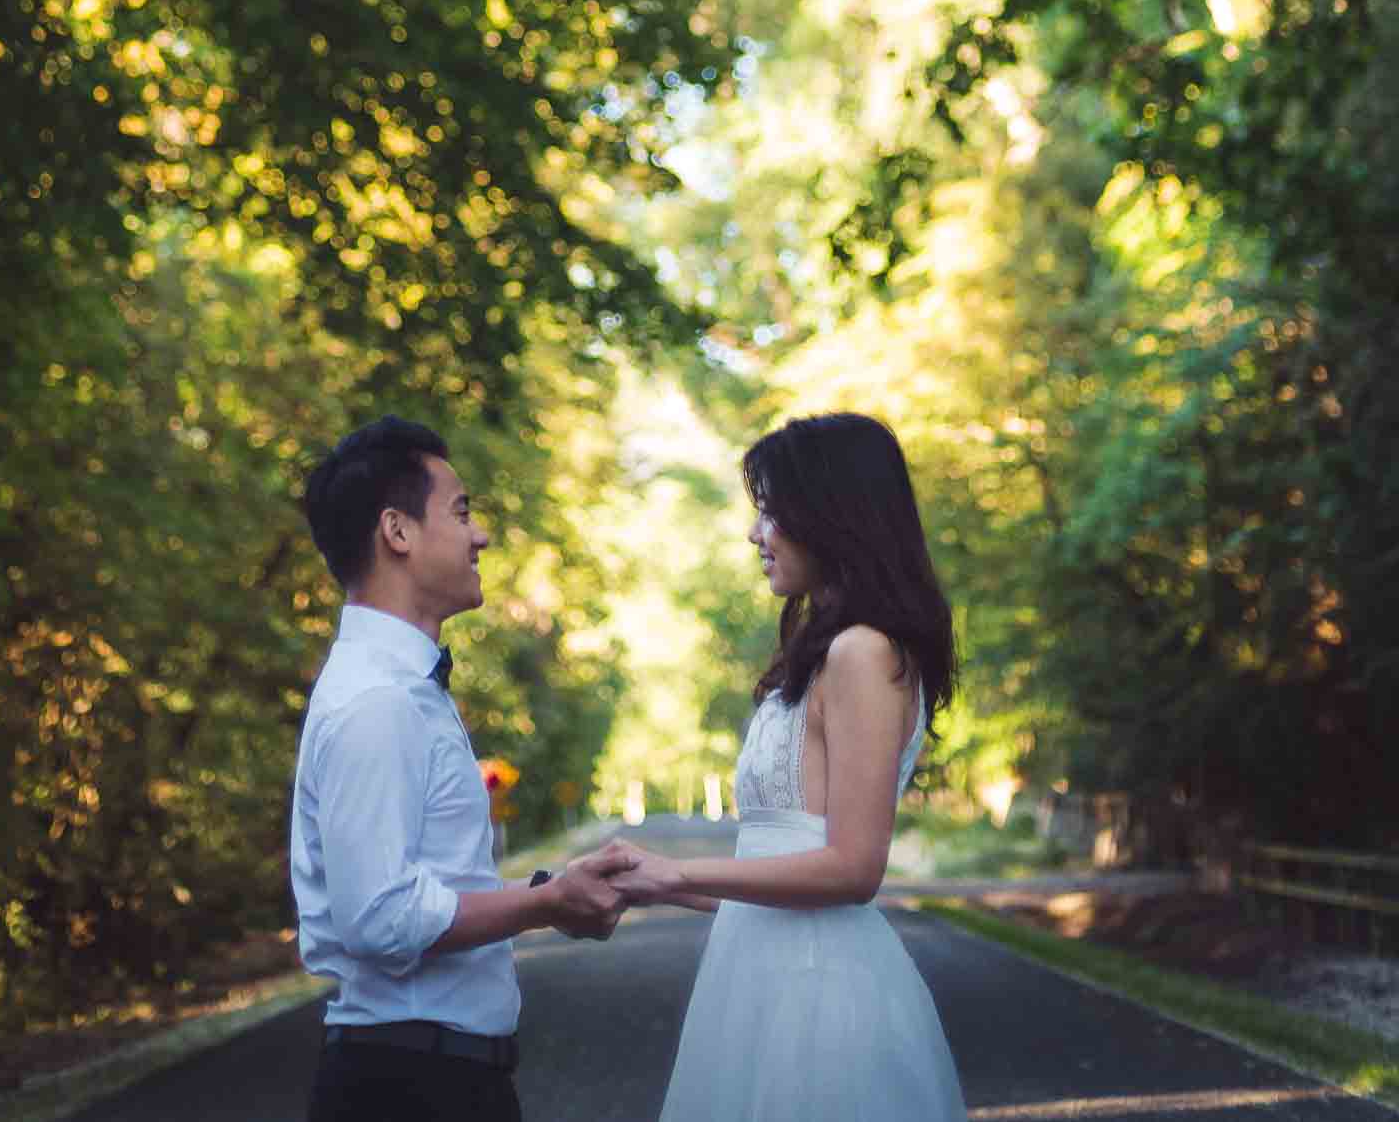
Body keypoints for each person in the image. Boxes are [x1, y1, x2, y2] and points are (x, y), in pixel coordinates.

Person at [606, 411, 968, 1122]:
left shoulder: (863, 652)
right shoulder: (828, 650)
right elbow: (784, 869)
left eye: (770, 513)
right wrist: (650, 882)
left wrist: (680, 870)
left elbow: (852, 869)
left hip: (820, 1003)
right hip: (760, 980)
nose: (753, 535)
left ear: (830, 515)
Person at [290, 415, 628, 1122]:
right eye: (462, 511)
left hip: (432, 1075)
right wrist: (543, 904)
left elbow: (433, 886)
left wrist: (554, 889)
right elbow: (380, 917)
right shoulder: (378, 701)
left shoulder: (403, 687)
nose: (481, 535)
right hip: (409, 1085)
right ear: (398, 532)